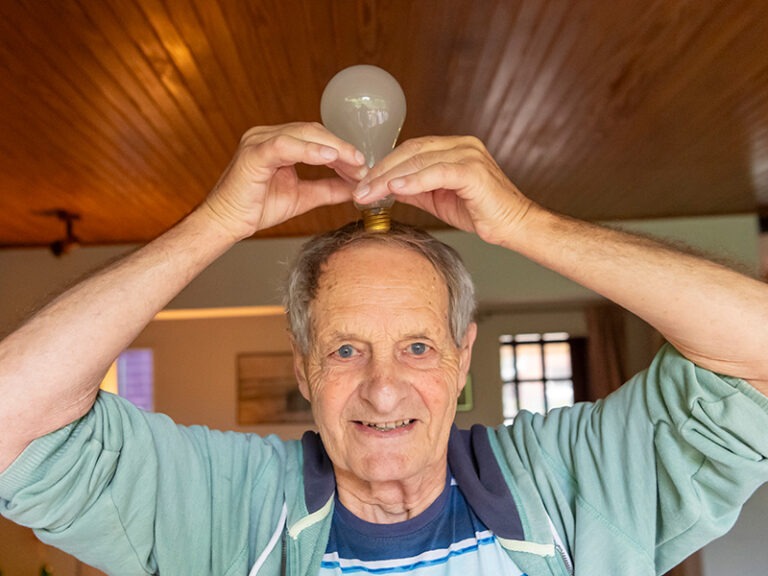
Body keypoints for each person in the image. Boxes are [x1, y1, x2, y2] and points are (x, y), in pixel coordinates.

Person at [0, 122, 767, 576]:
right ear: (303, 365)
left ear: (463, 358)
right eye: (343, 352)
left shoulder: (573, 482)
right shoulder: (225, 506)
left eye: (418, 348)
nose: (385, 389)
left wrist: (526, 224)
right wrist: (213, 225)